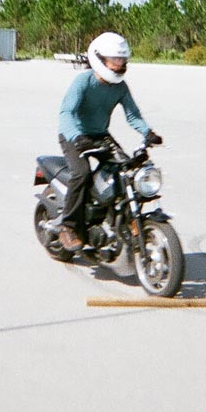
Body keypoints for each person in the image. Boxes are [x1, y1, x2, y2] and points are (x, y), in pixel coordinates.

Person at [51, 32, 162, 252]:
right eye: (114, 59)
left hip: (100, 135)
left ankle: (128, 218)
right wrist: (77, 137)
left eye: (122, 59)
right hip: (74, 136)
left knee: (127, 170)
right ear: (99, 58)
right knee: (81, 174)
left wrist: (147, 132)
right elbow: (66, 113)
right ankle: (68, 226)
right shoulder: (84, 81)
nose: (119, 64)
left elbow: (133, 115)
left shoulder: (120, 87)